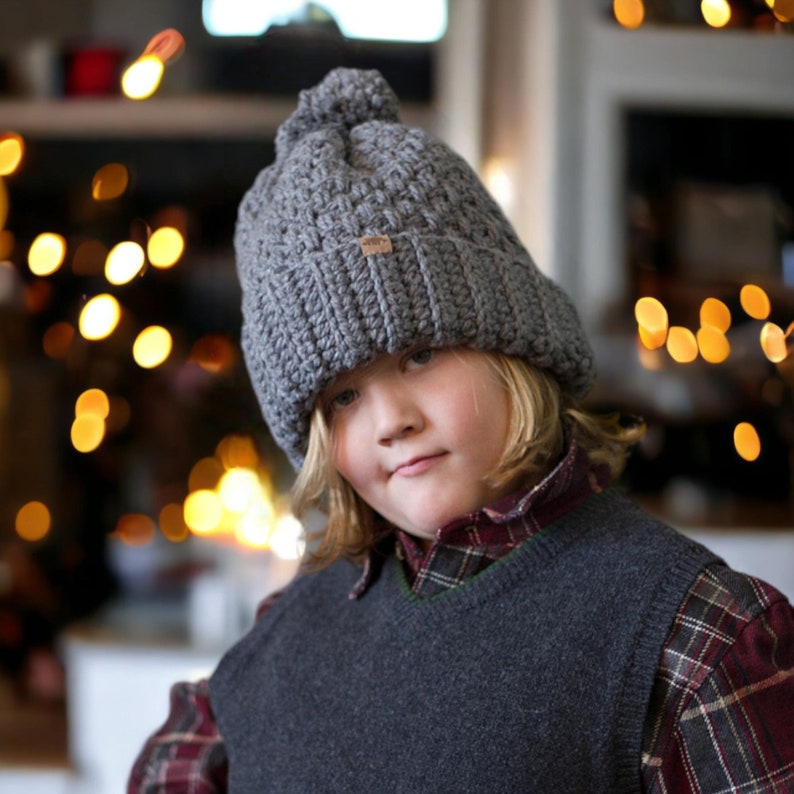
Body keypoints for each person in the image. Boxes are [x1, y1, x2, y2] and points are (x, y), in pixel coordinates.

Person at [128, 68, 794, 793]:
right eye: (344, 396)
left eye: (421, 355)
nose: (391, 421)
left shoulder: (693, 635)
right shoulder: (288, 630)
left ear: (514, 344)